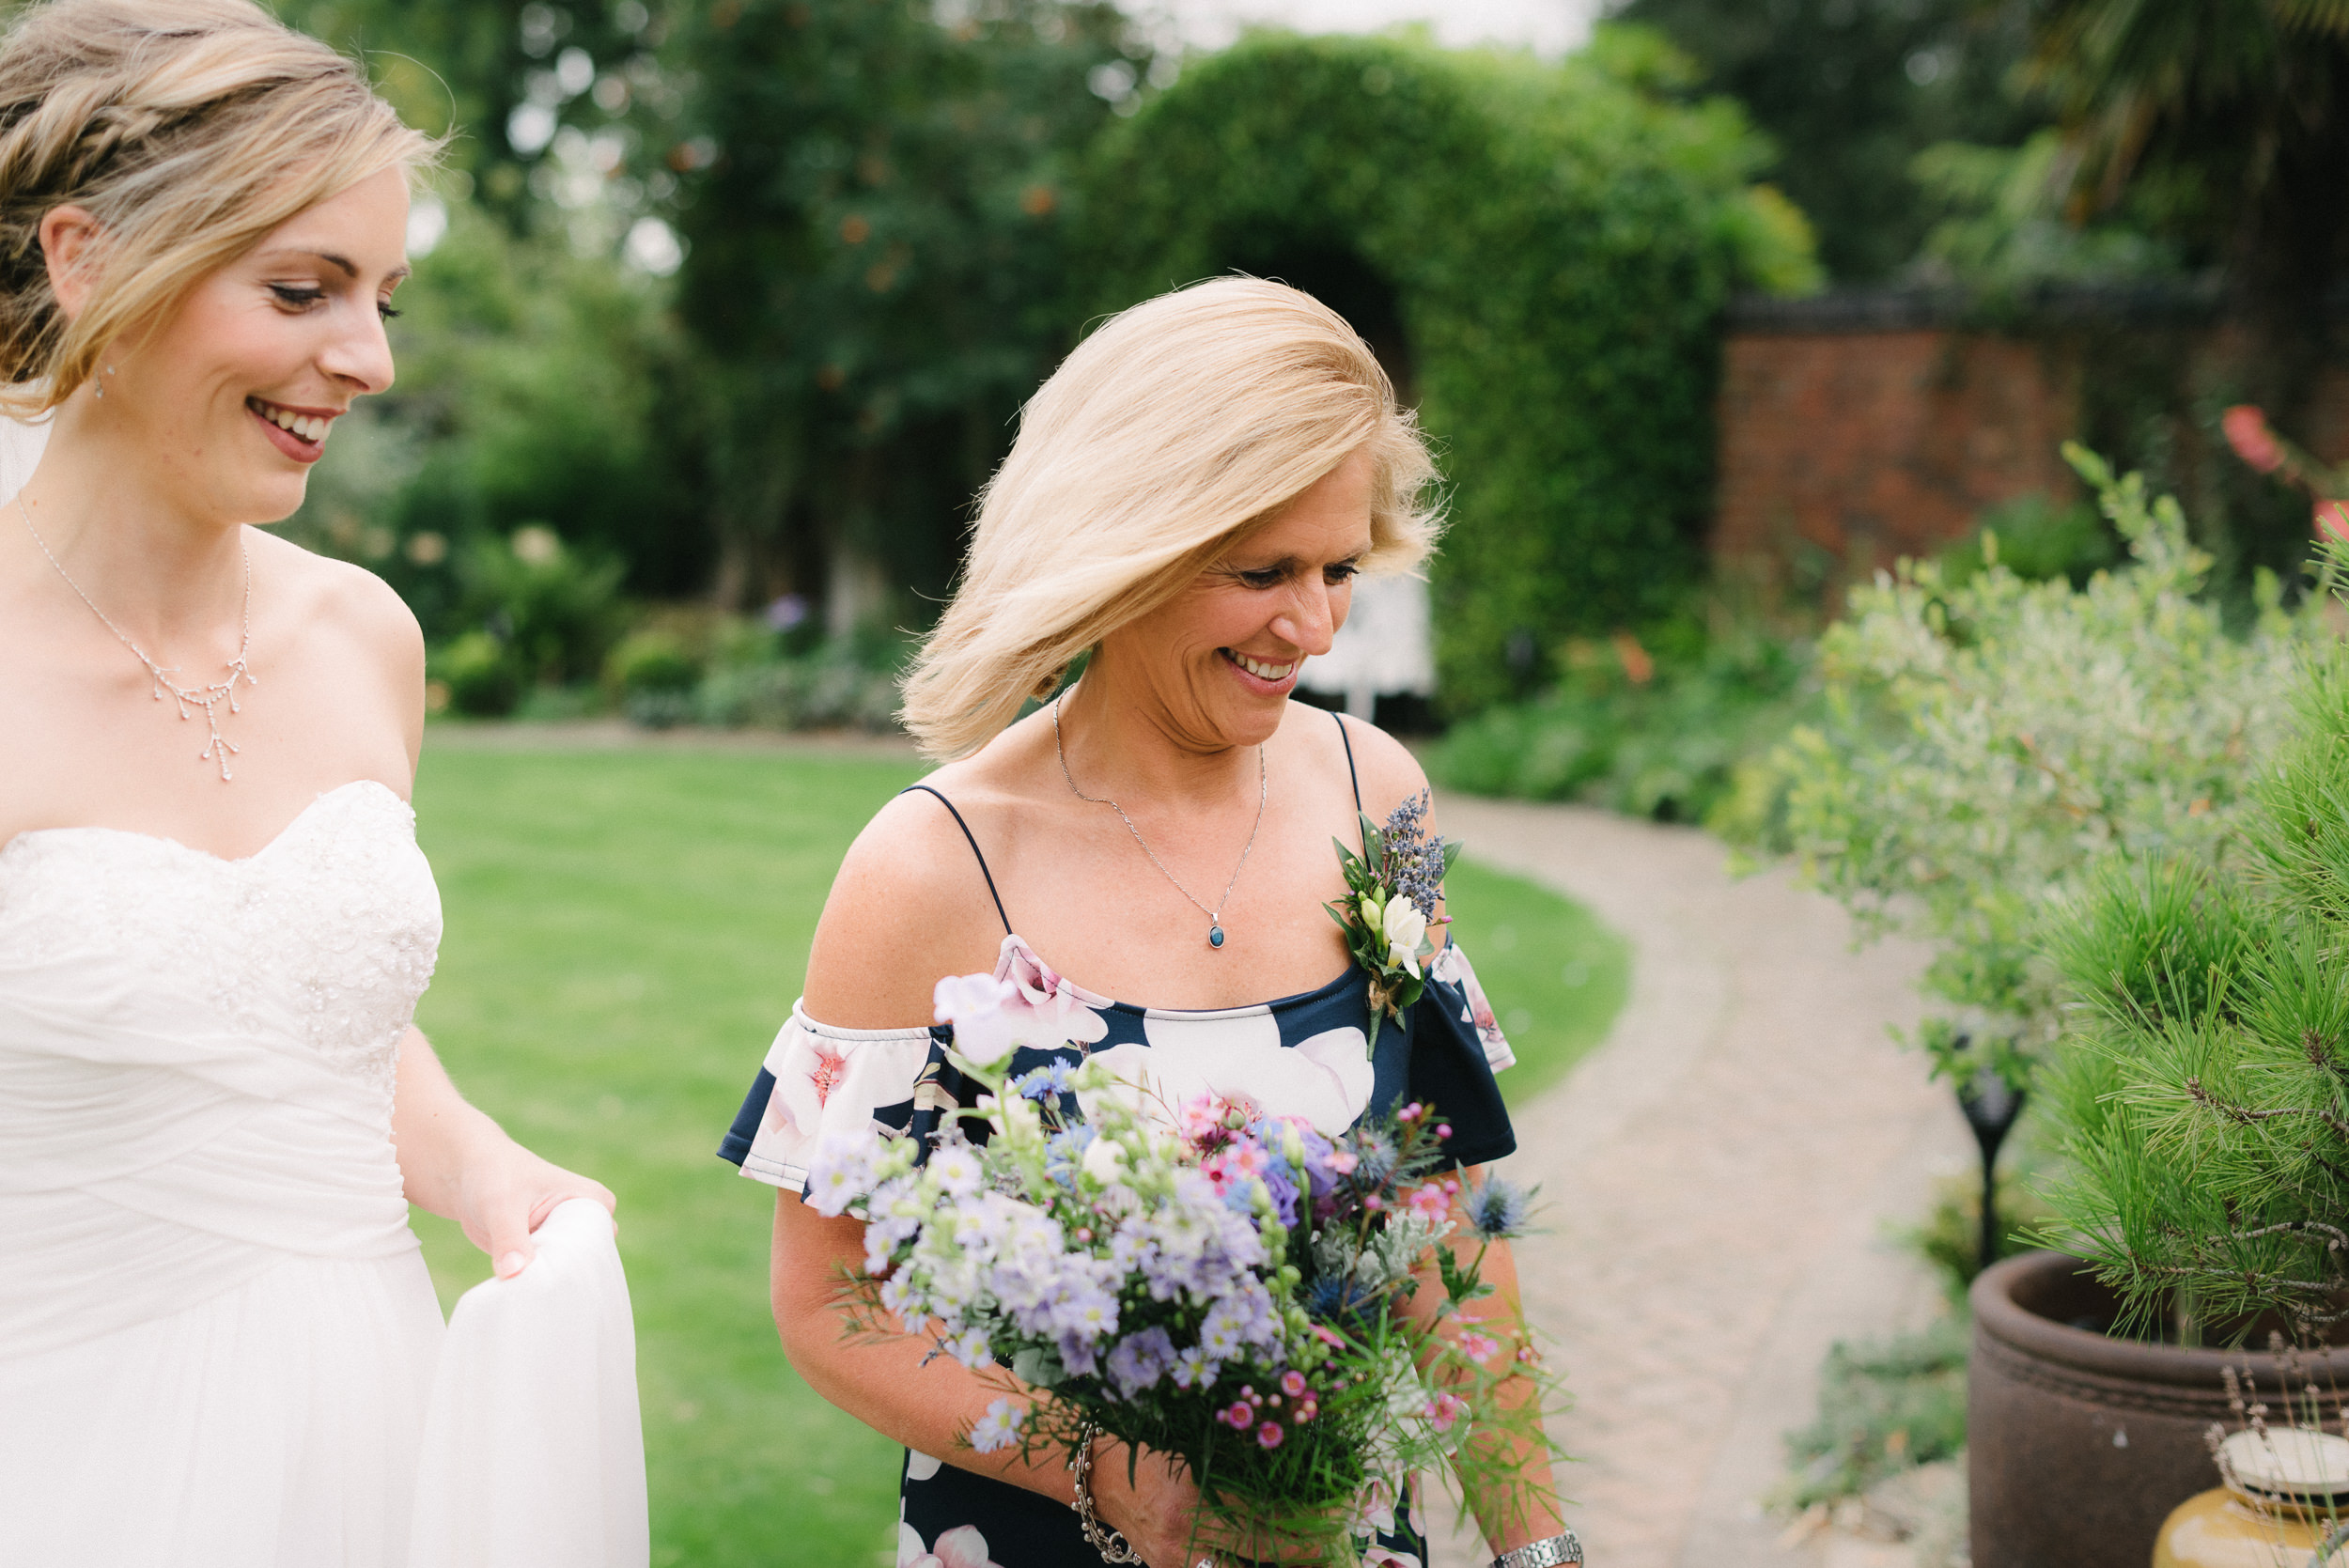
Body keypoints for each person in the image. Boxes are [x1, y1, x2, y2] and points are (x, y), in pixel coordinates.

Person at [721, 278, 1577, 1568]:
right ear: (1127, 545)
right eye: (1262, 571)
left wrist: (1538, 1548)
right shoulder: (933, 865)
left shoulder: (1377, 794)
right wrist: (1106, 1466)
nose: (1312, 624)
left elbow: (1440, 1217)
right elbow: (828, 1301)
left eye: (1340, 568)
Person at [0, 3, 614, 1562]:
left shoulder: (363, 637)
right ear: (84, 261)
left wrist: (480, 1166)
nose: (371, 359)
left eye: (386, 294)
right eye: (303, 288)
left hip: (378, 1429)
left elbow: (300, 1013)